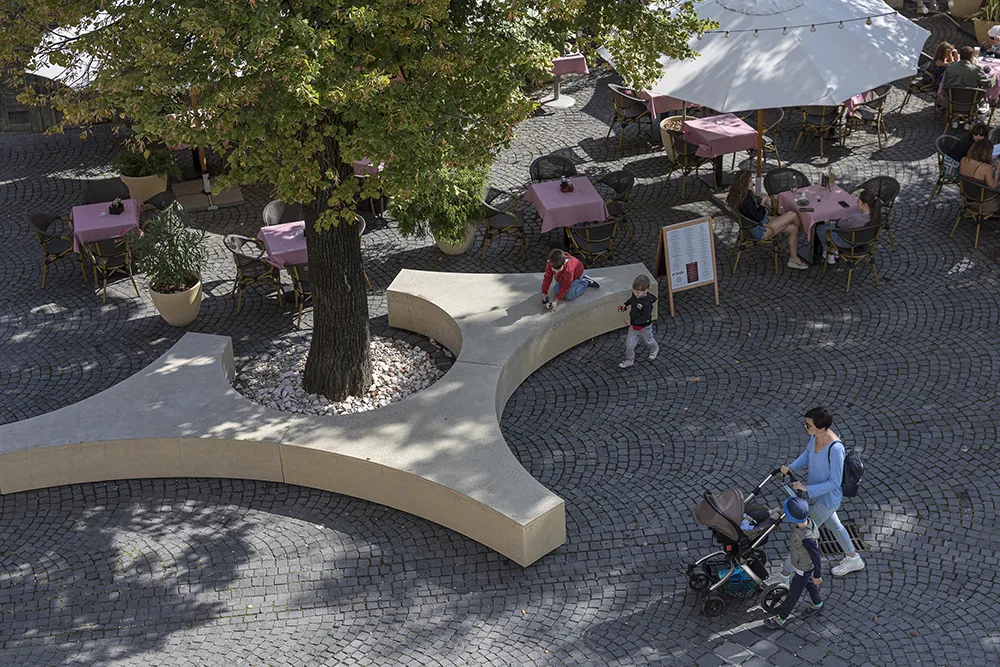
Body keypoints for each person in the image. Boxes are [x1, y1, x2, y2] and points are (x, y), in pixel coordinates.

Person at [778, 407, 866, 577]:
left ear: (821, 427)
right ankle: (853, 558)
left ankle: (784, 575)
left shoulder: (836, 449)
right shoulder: (815, 437)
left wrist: (806, 488)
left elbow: (835, 482)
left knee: (803, 535)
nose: (805, 427)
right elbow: (807, 455)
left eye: (808, 425)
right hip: (819, 497)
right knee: (835, 527)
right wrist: (791, 468)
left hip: (827, 500)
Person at [726, 170, 808, 270]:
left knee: (793, 228)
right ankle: (805, 232)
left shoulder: (739, 196)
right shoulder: (746, 200)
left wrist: (759, 201)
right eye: (750, 181)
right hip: (760, 229)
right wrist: (763, 203)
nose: (753, 183)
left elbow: (751, 212)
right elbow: (757, 216)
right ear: (743, 184)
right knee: (792, 214)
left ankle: (793, 259)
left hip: (749, 227)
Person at [762, 497, 824, 629]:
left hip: (803, 568)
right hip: (801, 565)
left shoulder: (807, 538)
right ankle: (818, 603)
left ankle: (781, 619)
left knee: (793, 595)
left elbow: (816, 556)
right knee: (809, 583)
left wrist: (818, 574)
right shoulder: (805, 522)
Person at [814, 190, 882, 264]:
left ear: (865, 204)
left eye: (858, 201)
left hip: (849, 242)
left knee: (820, 228)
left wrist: (843, 219)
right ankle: (833, 250)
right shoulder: (876, 215)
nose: (856, 202)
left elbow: (840, 224)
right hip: (865, 240)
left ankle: (829, 252)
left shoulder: (857, 218)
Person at [617, 274, 659, 368]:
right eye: (634, 292)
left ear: (646, 290)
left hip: (644, 327)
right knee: (629, 345)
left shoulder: (647, 304)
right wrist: (625, 304)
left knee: (649, 341)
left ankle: (654, 348)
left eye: (638, 293)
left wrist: (631, 323)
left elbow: (645, 318)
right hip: (633, 327)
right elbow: (632, 300)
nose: (635, 294)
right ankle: (629, 360)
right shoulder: (635, 295)